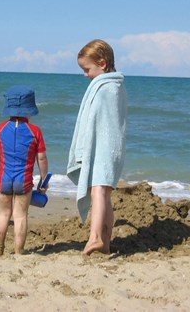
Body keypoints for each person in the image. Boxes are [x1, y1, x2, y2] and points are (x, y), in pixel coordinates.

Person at [67, 39, 127, 255]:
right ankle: (106, 242)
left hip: (104, 148)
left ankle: (94, 238)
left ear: (102, 63)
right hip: (112, 149)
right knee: (105, 196)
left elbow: (95, 121)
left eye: (87, 69)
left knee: (98, 192)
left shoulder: (105, 87)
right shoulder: (117, 86)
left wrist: (85, 146)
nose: (85, 75)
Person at [0, 86, 49, 256]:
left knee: (3, 215)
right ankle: (19, 251)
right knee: (20, 216)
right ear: (29, 110)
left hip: (3, 180)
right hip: (24, 181)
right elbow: (41, 158)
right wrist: (44, 181)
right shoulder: (35, 132)